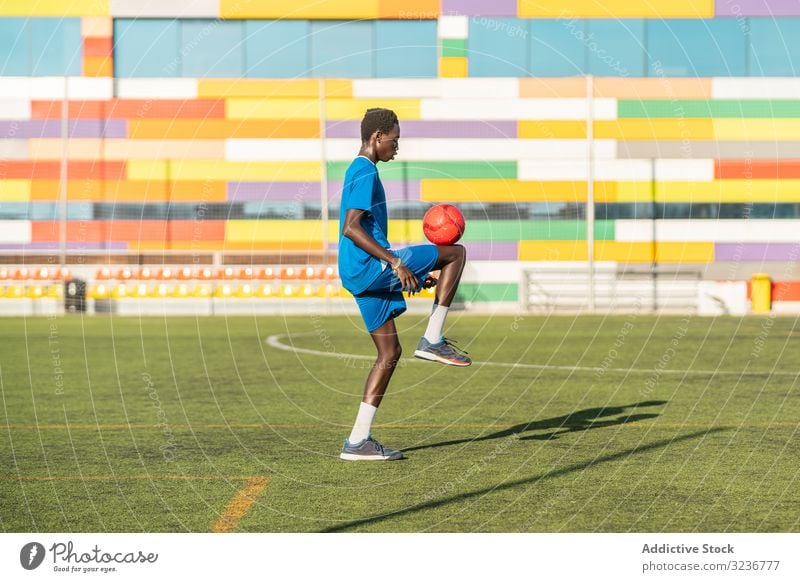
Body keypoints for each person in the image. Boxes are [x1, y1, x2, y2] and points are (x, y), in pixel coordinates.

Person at [338, 107, 470, 462]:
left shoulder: (360, 170)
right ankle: (433, 339)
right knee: (455, 254)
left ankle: (357, 441)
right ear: (378, 137)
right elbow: (352, 227)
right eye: (394, 140)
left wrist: (402, 271)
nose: (397, 147)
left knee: (389, 353)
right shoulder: (363, 170)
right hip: (369, 267)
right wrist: (395, 263)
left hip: (359, 273)